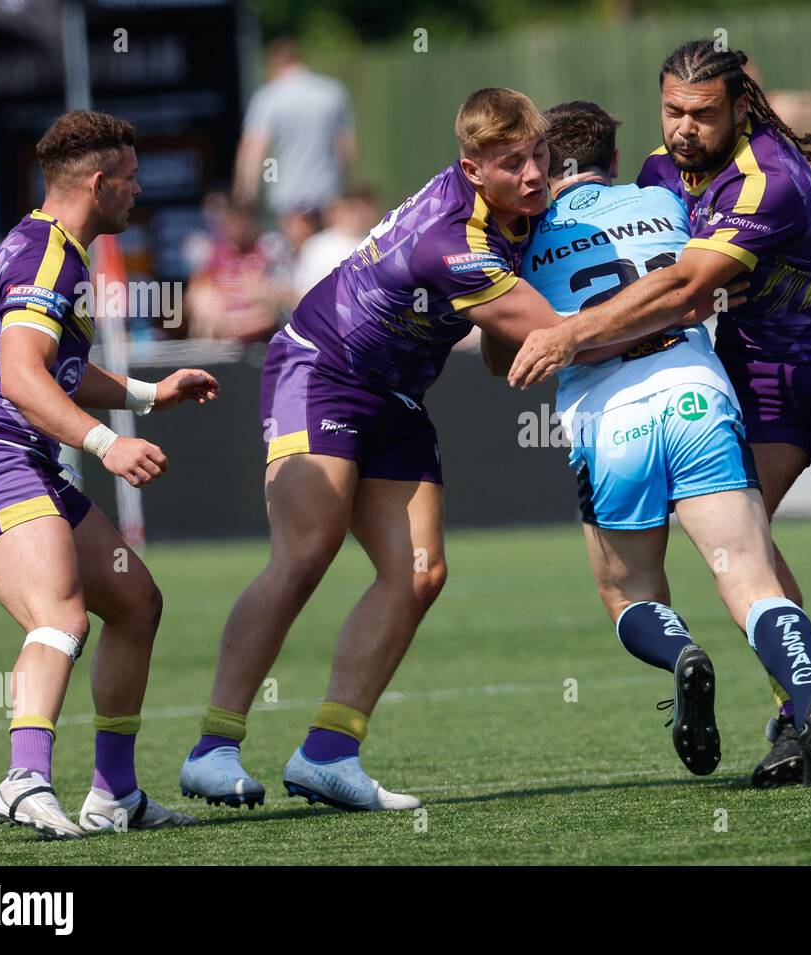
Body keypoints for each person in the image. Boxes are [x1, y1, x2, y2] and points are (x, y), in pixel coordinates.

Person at [508, 39, 811, 785]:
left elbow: (685, 289)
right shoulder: (657, 174)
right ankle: (798, 713)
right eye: (671, 110)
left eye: (701, 115)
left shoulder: (768, 179)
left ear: (740, 108)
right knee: (741, 547)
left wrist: (572, 332)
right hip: (756, 374)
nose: (683, 129)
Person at [178, 88, 578, 812]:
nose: (533, 173)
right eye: (512, 161)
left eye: (541, 155)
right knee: (306, 550)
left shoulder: (507, 207)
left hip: (394, 394)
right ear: (473, 168)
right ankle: (214, 746)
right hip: (321, 368)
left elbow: (502, 345)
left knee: (421, 572)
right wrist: (676, 306)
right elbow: (561, 334)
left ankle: (329, 752)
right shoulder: (454, 242)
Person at [494, 100, 811, 785]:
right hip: (695, 390)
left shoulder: (526, 235)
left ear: (543, 162)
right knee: (751, 576)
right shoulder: (664, 198)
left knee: (628, 591)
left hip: (609, 414)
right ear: (614, 160)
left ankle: (683, 653)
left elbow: (501, 349)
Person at [0, 110, 221, 839]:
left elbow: (57, 368)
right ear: (99, 182)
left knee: (133, 601)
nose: (139, 189)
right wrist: (105, 444)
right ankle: (23, 779)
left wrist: (149, 394)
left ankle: (114, 794)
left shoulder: (53, 246)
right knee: (58, 615)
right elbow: (24, 381)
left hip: (15, 456)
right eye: (130, 177)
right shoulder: (45, 257)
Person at [233, 38, 356, 247]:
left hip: (288, 202)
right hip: (327, 196)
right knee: (326, 261)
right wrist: (344, 187)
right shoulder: (332, 93)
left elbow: (254, 151)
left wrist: (246, 195)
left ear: (274, 64)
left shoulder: (268, 98)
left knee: (296, 266)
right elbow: (345, 147)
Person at [184, 199, 294, 343]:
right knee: (203, 299)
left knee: (265, 293)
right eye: (230, 222)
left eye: (239, 221)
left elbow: (280, 300)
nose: (234, 227)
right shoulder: (213, 254)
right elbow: (192, 300)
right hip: (223, 325)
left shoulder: (268, 251)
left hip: (260, 325)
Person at [293, 187, 381, 297]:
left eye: (363, 209)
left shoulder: (379, 244)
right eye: (351, 208)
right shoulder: (317, 247)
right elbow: (303, 292)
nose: (357, 216)